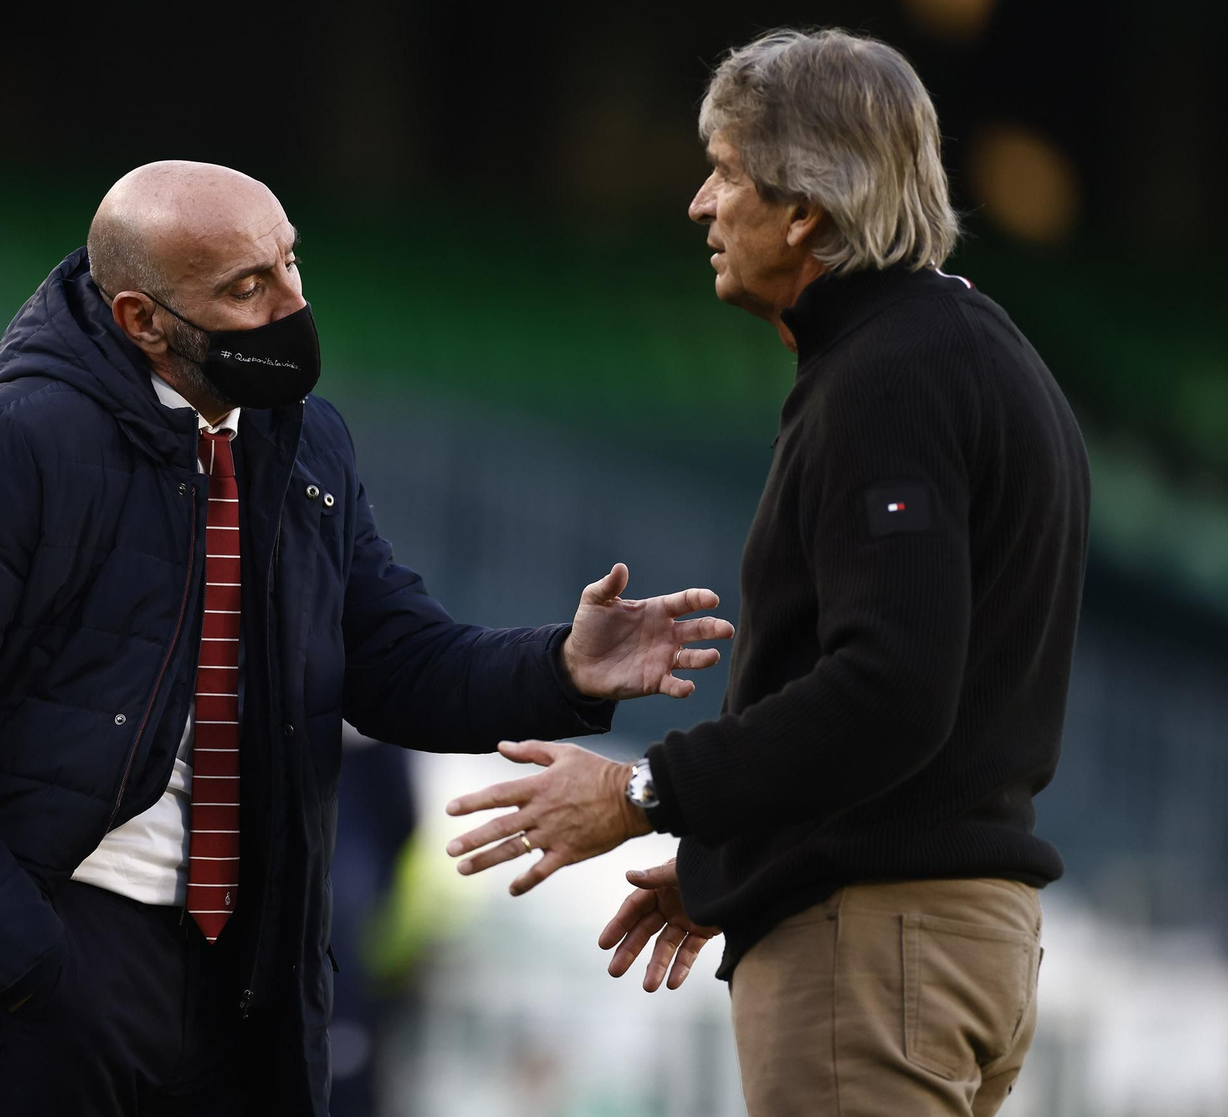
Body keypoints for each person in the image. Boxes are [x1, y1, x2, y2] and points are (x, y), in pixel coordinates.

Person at [0, 160, 734, 1117]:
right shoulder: (12, 447)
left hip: (238, 979)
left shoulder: (304, 441)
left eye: (289, 265)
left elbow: (390, 658)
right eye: (247, 288)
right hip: (40, 965)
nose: (292, 303)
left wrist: (561, 665)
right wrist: (30, 961)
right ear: (140, 320)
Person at [446, 29, 1089, 1117]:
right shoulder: (970, 347)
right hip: (950, 934)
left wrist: (642, 792)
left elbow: (891, 691)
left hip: (879, 944)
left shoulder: (890, 375)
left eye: (726, 173)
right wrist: (741, 860)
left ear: (804, 211)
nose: (700, 204)